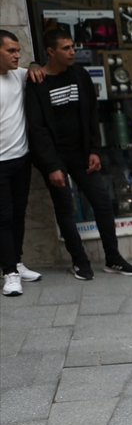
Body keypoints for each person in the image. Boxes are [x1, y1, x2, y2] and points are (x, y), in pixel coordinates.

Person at [25, 29, 132, 279]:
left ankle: (113, 259)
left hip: (82, 155)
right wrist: (51, 166)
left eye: (72, 47)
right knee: (65, 210)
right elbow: (37, 129)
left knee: (102, 202)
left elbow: (91, 115)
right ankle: (80, 262)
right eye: (66, 48)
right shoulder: (37, 83)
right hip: (55, 159)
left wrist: (94, 150)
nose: (72, 52)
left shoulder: (80, 75)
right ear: (51, 52)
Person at [0, 31, 42, 296]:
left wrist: (36, 64)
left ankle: (16, 261)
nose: (17, 55)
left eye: (18, 50)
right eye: (11, 51)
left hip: (21, 159)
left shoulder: (19, 75)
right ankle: (9, 273)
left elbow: (38, 70)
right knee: (3, 217)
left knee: (18, 213)